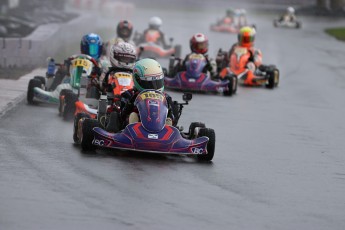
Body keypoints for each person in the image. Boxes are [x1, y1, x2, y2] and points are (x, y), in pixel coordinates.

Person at [120, 58, 176, 127]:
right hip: (135, 129)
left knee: (169, 119)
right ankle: (133, 125)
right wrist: (131, 102)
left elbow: (173, 118)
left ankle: (167, 129)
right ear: (137, 79)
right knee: (133, 116)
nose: (153, 87)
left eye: (157, 82)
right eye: (149, 83)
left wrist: (169, 112)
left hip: (160, 128)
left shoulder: (166, 97)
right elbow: (122, 116)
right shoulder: (129, 94)